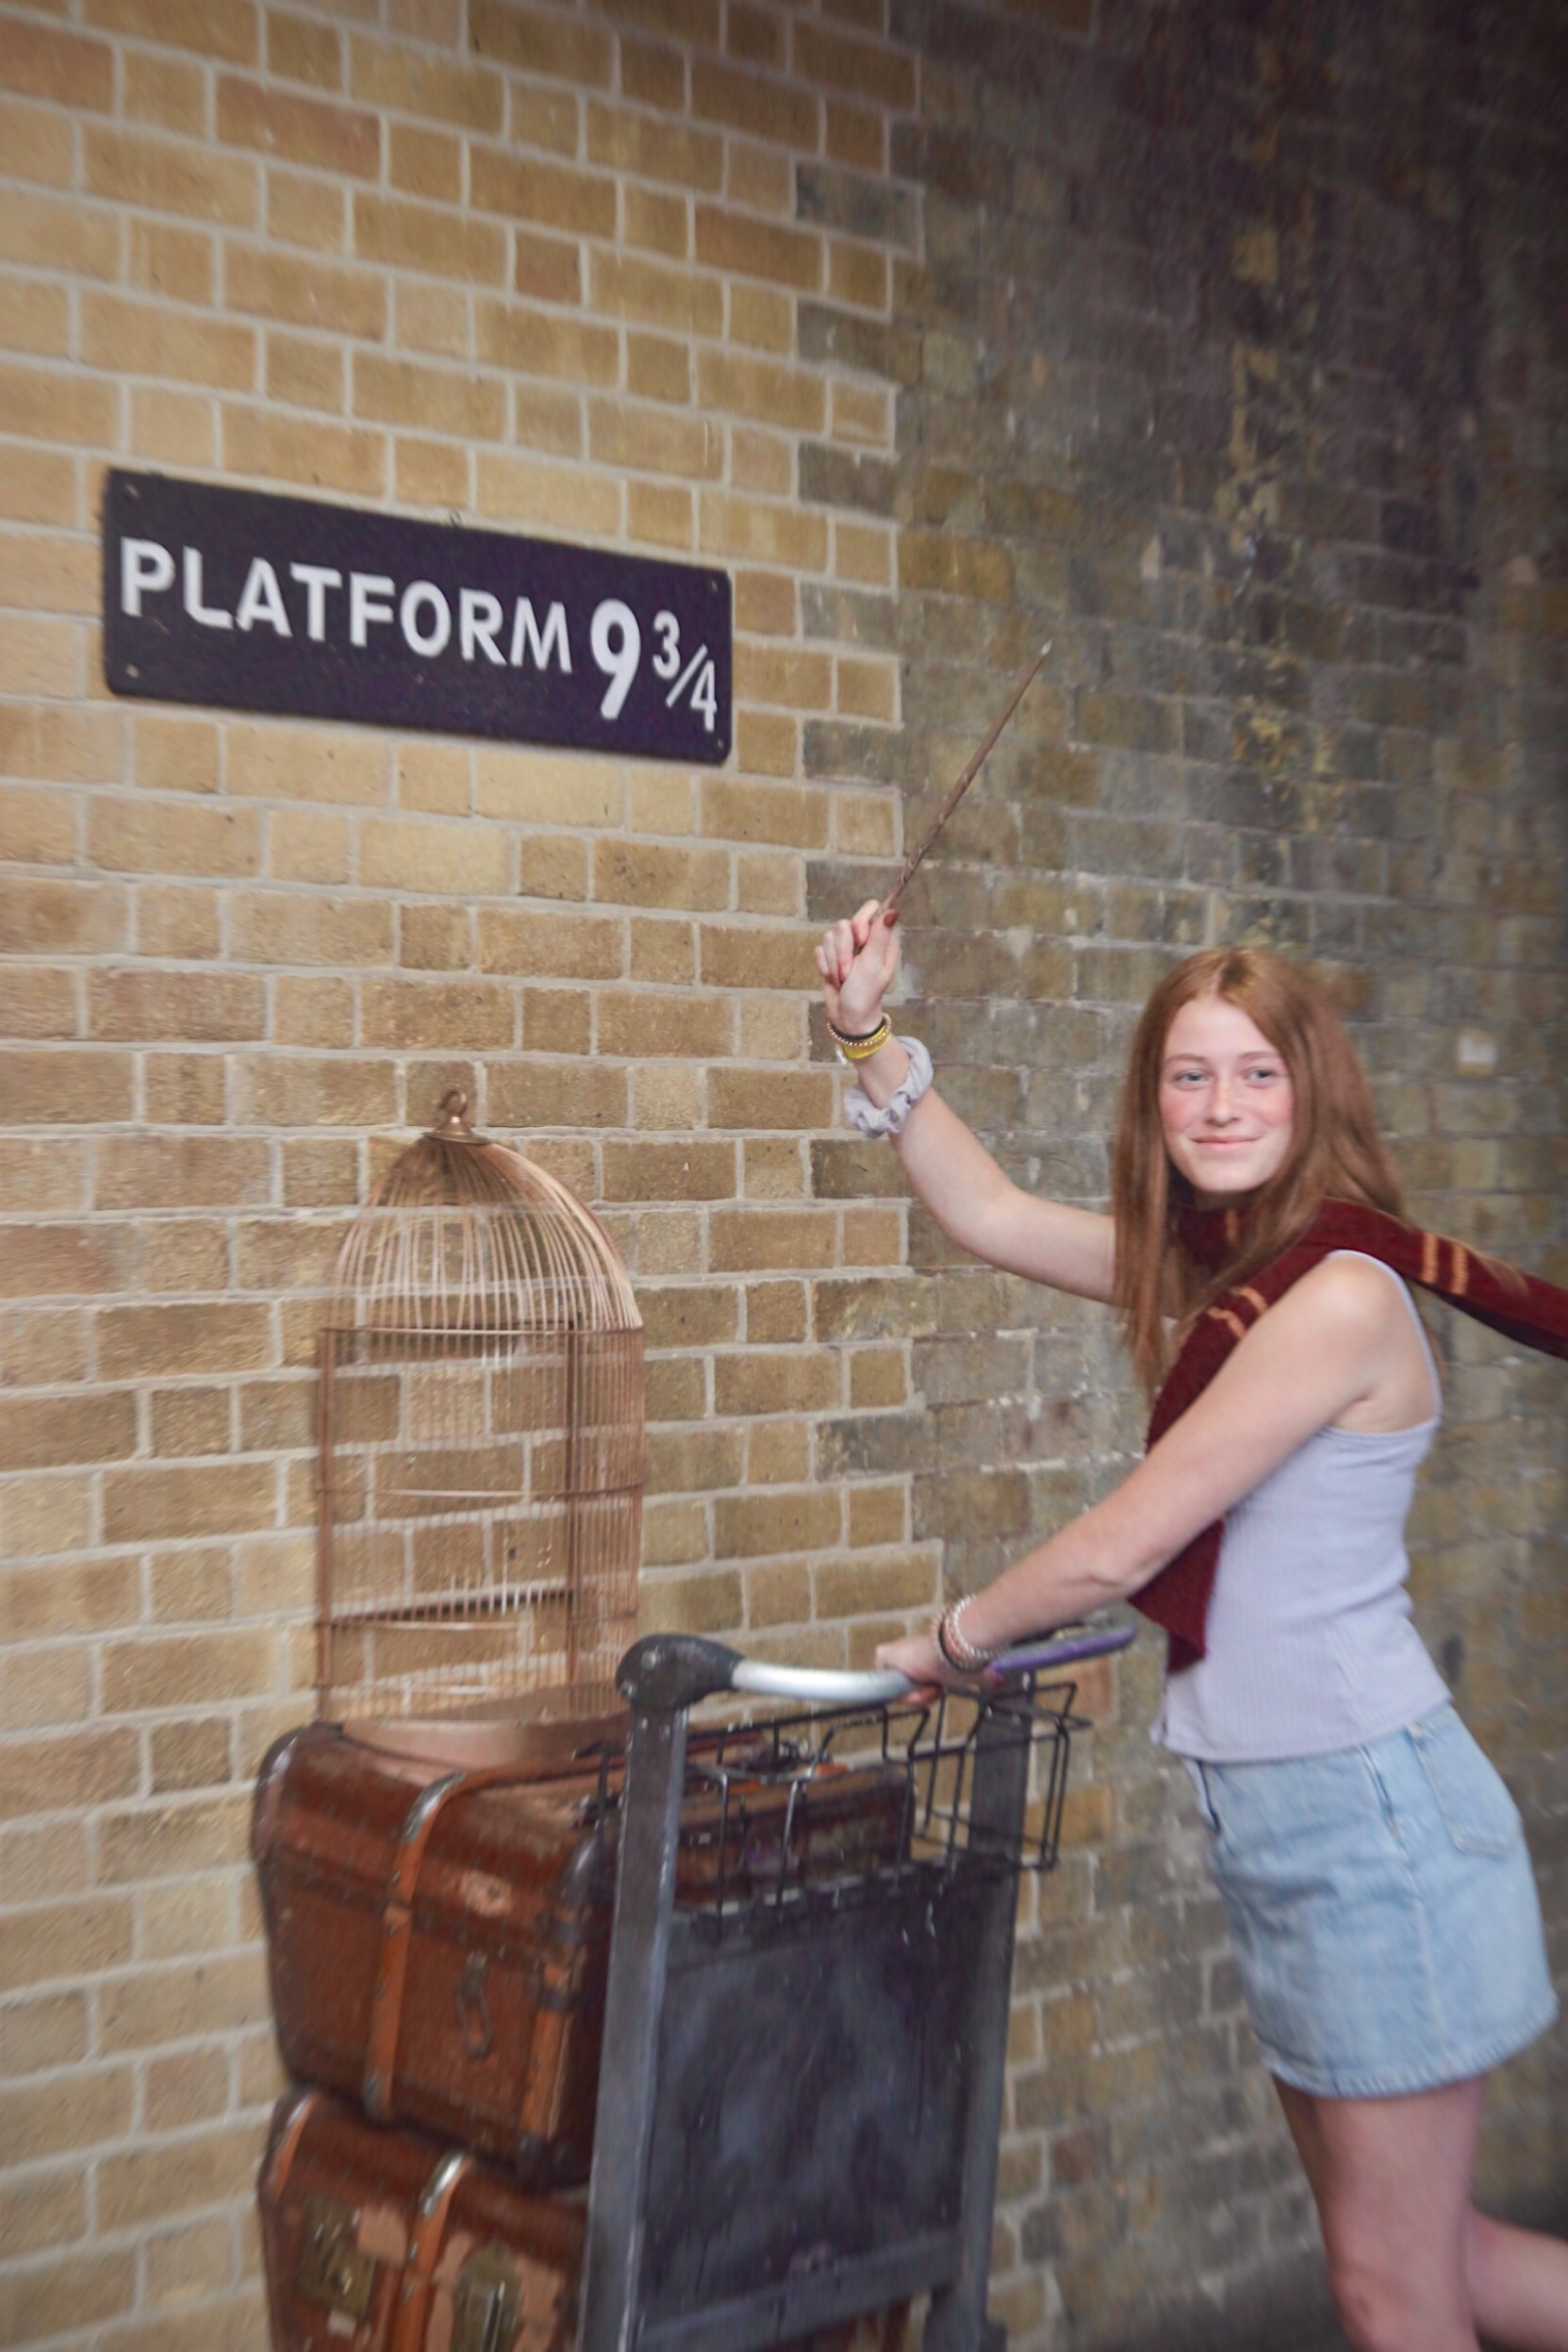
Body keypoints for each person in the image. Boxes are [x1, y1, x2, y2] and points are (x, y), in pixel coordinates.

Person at [815, 904, 1567, 2352]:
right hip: (1293, 1816)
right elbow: (991, 1213)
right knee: (1435, 2264)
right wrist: (867, 1031)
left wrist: (954, 1639)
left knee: (1390, 2288)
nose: (1221, 1105)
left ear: (1313, 1091)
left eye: (1257, 1073)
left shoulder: (1335, 1297)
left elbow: (1130, 1538)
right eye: (1189, 1074)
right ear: (1153, 1098)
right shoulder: (1225, 1274)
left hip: (1373, 1827)